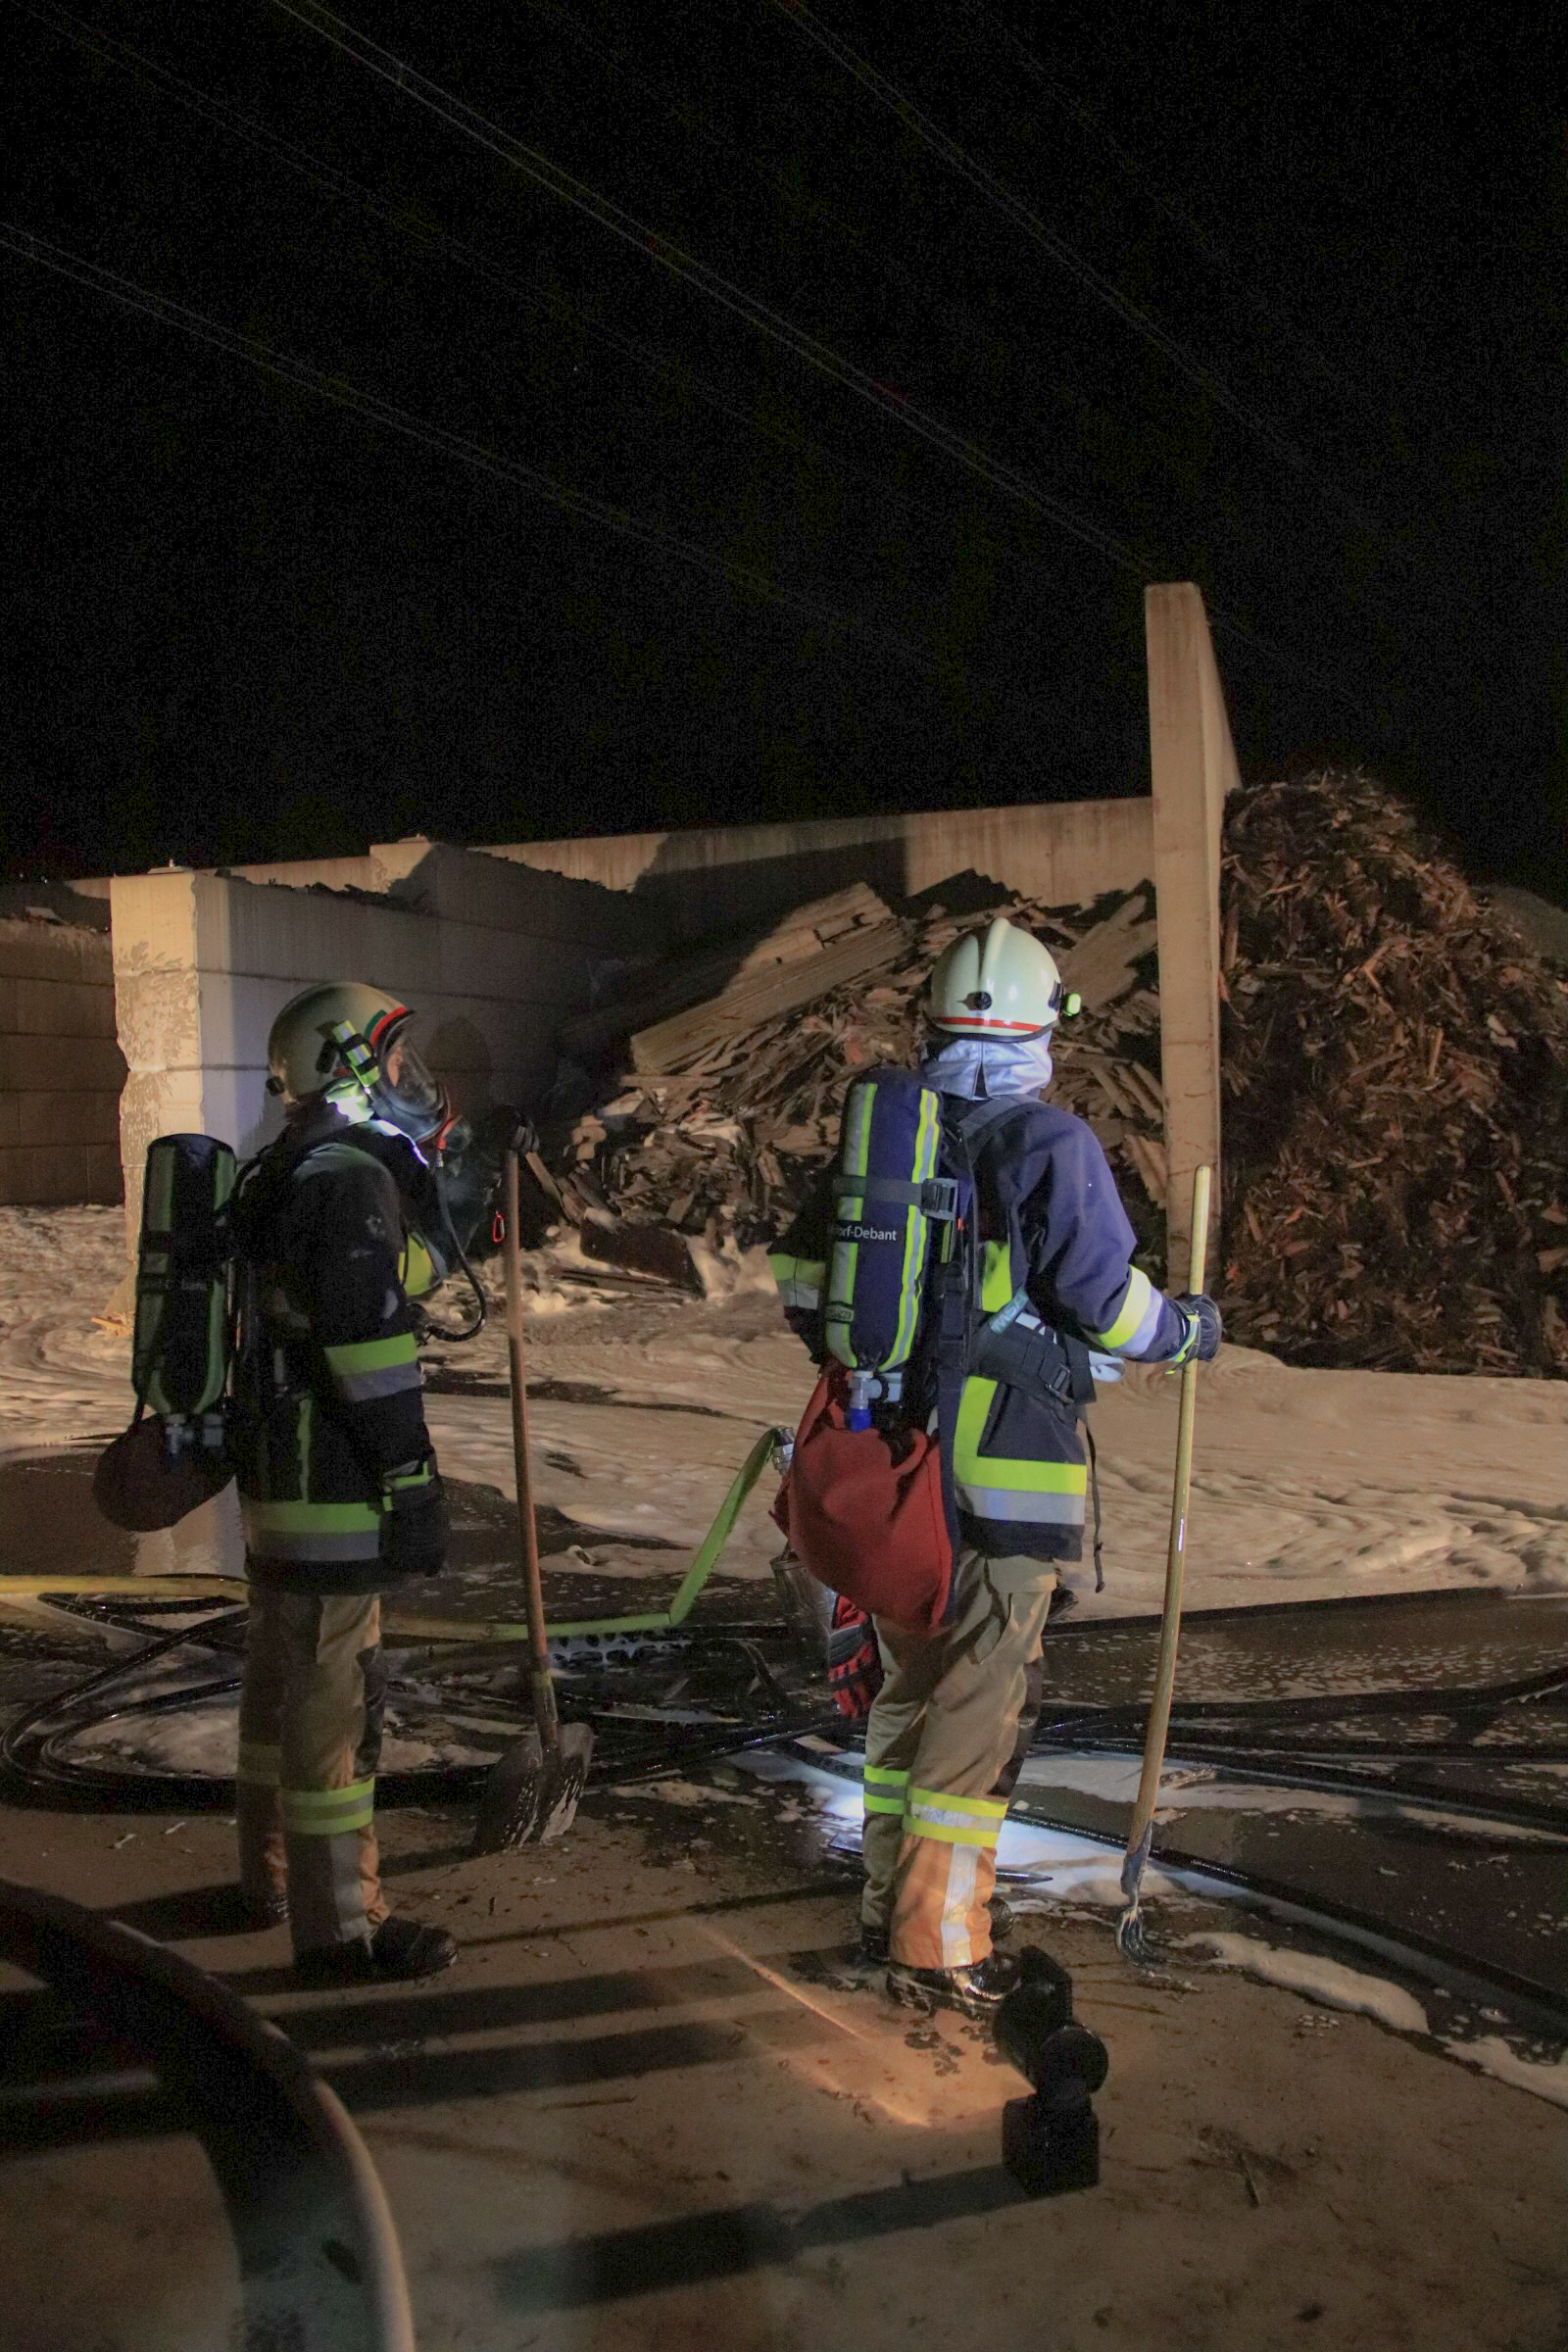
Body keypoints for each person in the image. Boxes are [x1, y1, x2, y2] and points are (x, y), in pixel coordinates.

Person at [770, 918, 1222, 2016]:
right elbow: (1109, 1306)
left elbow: (800, 1283)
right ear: (1041, 1028)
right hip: (1009, 1477)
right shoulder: (1049, 1143)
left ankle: (888, 1905)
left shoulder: (886, 1136)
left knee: (909, 1694)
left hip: (897, 1476)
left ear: (933, 1022)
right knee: (979, 1714)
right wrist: (1187, 1331)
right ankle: (939, 1945)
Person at [228, 981, 471, 1985]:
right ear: (347, 1065)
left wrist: (448, 1224)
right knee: (334, 1706)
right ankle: (340, 1930)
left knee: (279, 1688)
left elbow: (358, 1281)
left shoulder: (290, 1168)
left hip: (279, 1480)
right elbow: (366, 1348)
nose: (410, 1075)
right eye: (394, 1057)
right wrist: (410, 1479)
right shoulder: (345, 1182)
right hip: (332, 1482)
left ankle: (269, 1877)